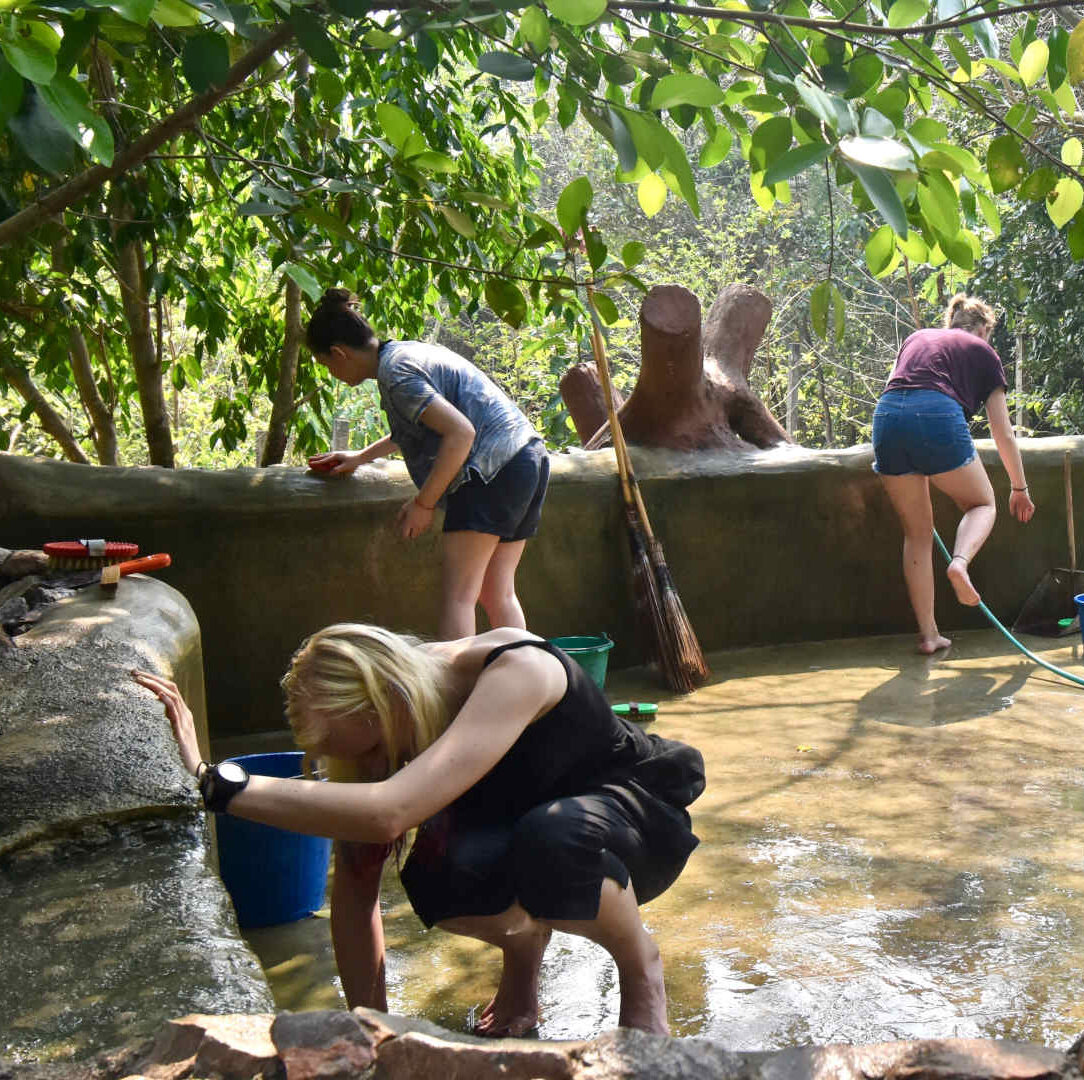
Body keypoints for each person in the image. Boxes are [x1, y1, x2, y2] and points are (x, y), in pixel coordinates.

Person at [132, 624, 704, 1037]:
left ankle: (640, 968)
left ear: (394, 699)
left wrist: (219, 784)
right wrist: (373, 1031)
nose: (379, 766)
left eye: (378, 749)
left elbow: (388, 810)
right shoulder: (393, 718)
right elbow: (354, 893)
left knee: (550, 837)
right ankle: (523, 960)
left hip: (633, 812)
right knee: (436, 871)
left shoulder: (514, 671)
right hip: (536, 819)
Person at [304, 289, 549, 641]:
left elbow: (460, 434)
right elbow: (418, 429)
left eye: (327, 365)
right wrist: (360, 457)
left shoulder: (396, 374)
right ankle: (530, 682)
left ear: (339, 353)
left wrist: (424, 504)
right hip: (526, 459)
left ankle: (461, 693)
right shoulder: (406, 354)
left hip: (490, 470)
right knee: (497, 593)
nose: (332, 373)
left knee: (458, 598)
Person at [872, 294, 1036, 654]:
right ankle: (959, 564)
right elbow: (1002, 431)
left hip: (886, 419)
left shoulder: (917, 338)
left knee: (916, 534)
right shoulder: (981, 350)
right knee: (982, 504)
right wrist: (1019, 487)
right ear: (982, 330)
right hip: (936, 415)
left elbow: (899, 389)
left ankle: (929, 636)